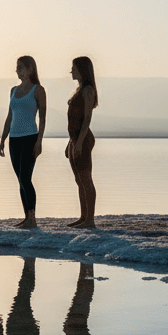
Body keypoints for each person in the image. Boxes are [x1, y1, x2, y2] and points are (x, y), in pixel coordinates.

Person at [0, 55, 47, 228]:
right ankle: (27, 217)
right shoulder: (13, 91)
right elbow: (10, 116)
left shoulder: (38, 90)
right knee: (20, 179)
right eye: (16, 68)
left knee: (26, 177)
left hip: (30, 137)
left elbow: (43, 118)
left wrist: (39, 141)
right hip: (14, 140)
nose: (17, 71)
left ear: (30, 69)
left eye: (20, 67)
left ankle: (33, 218)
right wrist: (3, 139)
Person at [65, 56, 98, 227]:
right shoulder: (78, 89)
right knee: (79, 180)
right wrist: (70, 143)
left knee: (86, 179)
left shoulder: (87, 90)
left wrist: (79, 143)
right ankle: (83, 217)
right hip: (74, 139)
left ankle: (90, 220)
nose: (71, 71)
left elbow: (87, 120)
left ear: (82, 70)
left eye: (74, 68)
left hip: (83, 139)